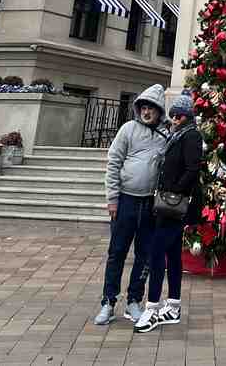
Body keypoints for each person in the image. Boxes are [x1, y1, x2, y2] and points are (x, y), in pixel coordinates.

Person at [94, 84, 168, 326]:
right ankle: (108, 302)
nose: (147, 112)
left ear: (159, 112)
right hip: (125, 200)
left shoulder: (165, 135)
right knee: (116, 253)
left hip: (149, 204)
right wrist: (112, 198)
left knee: (144, 254)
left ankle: (134, 300)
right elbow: (113, 163)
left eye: (152, 109)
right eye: (144, 107)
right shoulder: (128, 129)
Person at [135, 92, 203, 332]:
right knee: (173, 254)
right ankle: (173, 305)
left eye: (179, 115)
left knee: (156, 253)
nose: (174, 119)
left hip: (175, 204)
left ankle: (152, 308)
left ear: (188, 117)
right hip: (169, 204)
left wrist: (173, 192)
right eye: (173, 114)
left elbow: (193, 169)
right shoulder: (177, 136)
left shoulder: (191, 135)